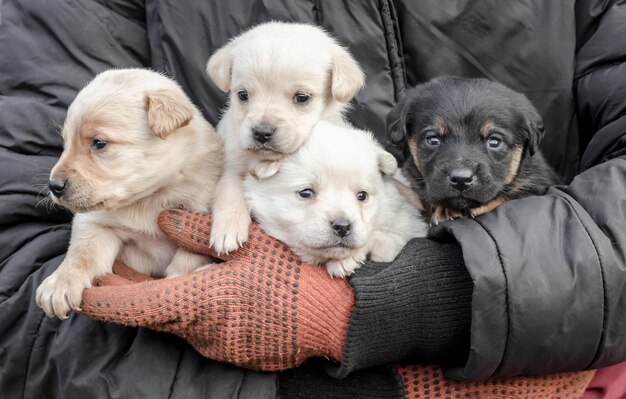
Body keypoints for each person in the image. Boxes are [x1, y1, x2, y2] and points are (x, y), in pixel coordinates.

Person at [1, 0, 624, 398]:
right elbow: (21, 258)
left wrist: (438, 294)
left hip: (562, 357)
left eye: (300, 99)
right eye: (245, 98)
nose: (264, 122)